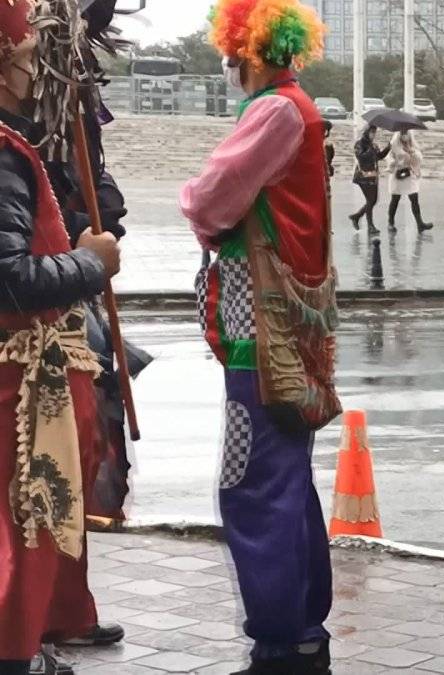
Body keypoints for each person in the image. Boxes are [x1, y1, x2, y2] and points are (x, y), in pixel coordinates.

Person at [180, 2, 341, 673]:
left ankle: (279, 636)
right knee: (288, 481)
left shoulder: (274, 111)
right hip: (290, 325)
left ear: (242, 50)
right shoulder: (296, 107)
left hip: (261, 329)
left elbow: (209, 200)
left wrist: (192, 202)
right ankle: (301, 627)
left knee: (252, 485)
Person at [0, 2, 123, 673]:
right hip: (18, 385)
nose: (33, 73)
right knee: (25, 520)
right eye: (25, 59)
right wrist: (90, 264)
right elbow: (9, 277)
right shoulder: (3, 152)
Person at [387, 130, 434, 232]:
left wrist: (411, 152)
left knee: (414, 199)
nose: (405, 136)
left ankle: (420, 223)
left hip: (409, 174)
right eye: (403, 134)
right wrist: (394, 162)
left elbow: (418, 159)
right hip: (398, 175)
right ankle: (390, 223)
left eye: (406, 133)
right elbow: (390, 159)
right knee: (395, 199)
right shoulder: (394, 146)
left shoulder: (412, 146)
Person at [349, 126, 389, 234]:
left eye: (375, 132)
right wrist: (370, 150)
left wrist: (388, 148)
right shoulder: (359, 144)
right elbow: (360, 157)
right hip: (363, 177)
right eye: (371, 132)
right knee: (371, 200)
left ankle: (356, 216)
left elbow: (379, 156)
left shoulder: (374, 145)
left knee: (373, 200)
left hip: (373, 176)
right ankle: (370, 226)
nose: (373, 134)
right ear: (366, 132)